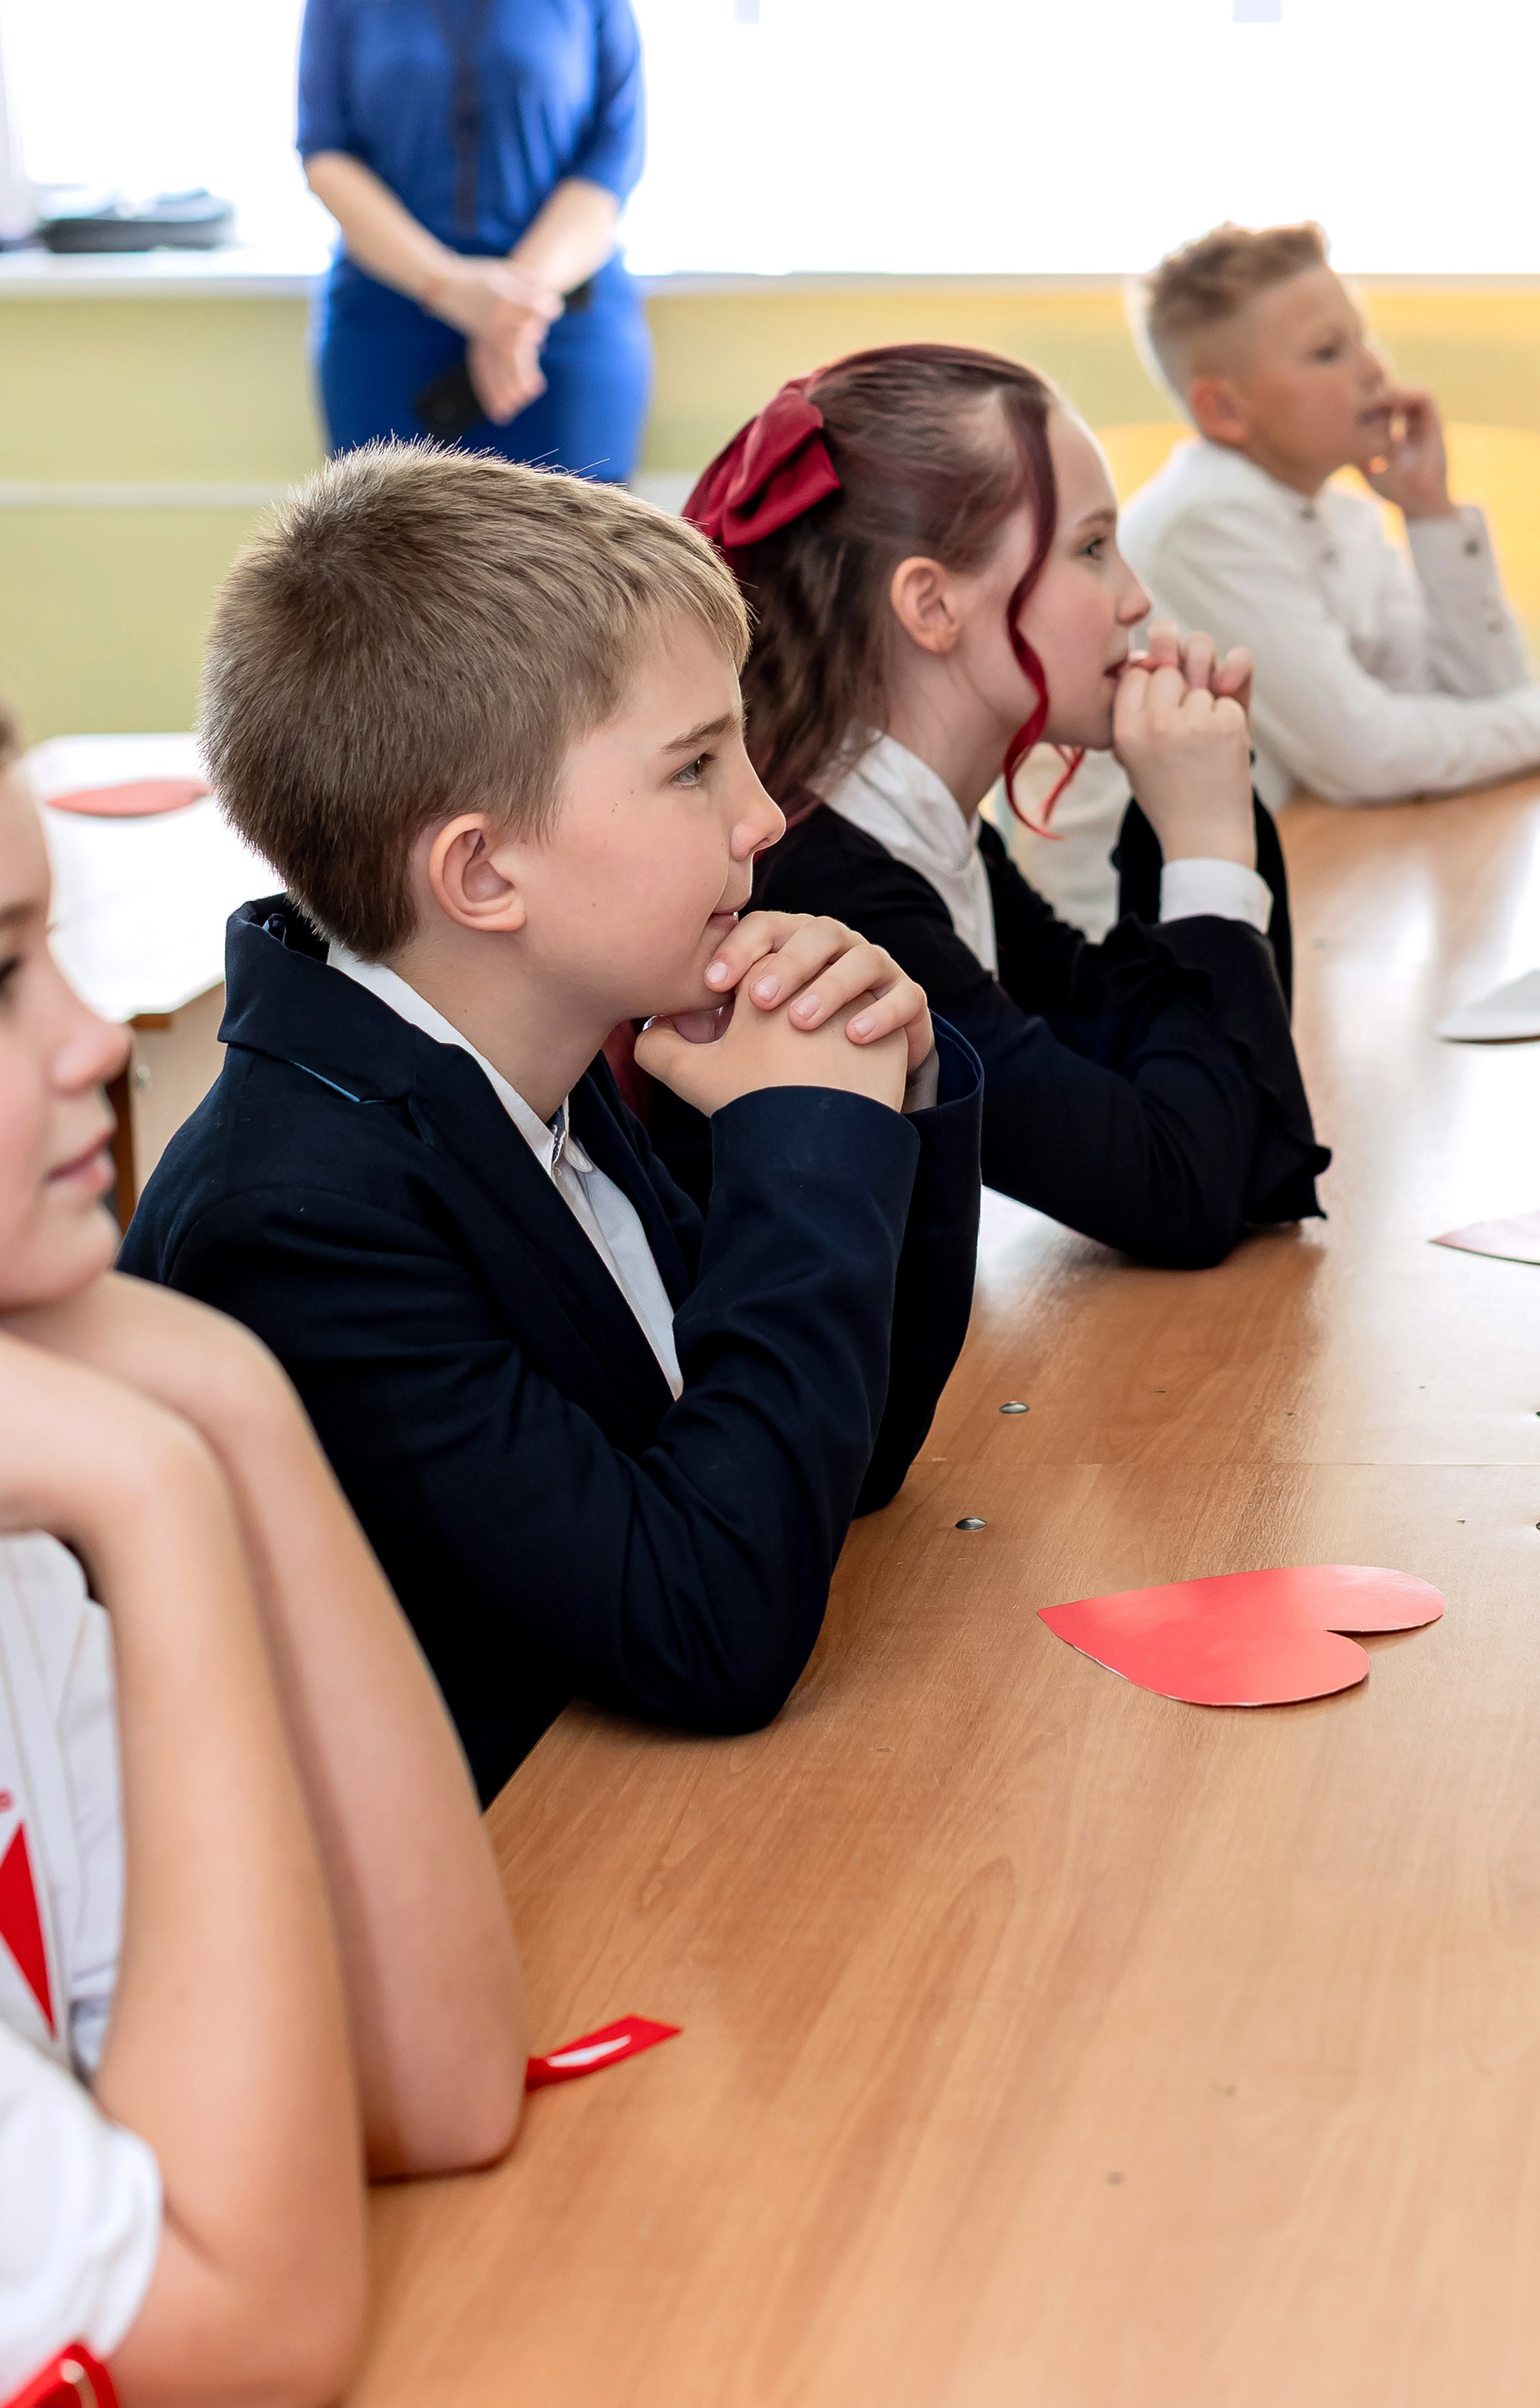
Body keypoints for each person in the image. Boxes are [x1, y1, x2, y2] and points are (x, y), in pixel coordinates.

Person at [0, 615, 527, 2408]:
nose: (95, 1037)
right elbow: (251, 2325)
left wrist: (221, 1396)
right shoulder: (21, 1487)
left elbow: (429, 2076)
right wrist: (154, 1497)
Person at [122, 447, 982, 1803]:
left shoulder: (530, 1045)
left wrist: (886, 1094)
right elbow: (711, 1627)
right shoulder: (299, 1228)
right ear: (481, 875)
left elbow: (841, 1460)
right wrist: (806, 1147)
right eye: (693, 769)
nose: (764, 815)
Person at [684, 347, 1327, 1268]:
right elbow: (1183, 1190)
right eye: (1091, 549)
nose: (1136, 599)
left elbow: (1225, 1123)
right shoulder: (836, 890)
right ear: (932, 604)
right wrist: (1205, 843)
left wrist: (1192, 811)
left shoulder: (919, 834)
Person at [1118, 222, 1540, 810]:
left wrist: (1430, 513)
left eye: (1362, 338)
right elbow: (1366, 758)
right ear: (1224, 408)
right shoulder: (1204, 527)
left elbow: (1482, 702)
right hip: (1160, 873)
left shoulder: (1343, 515)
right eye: (1328, 352)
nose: (1374, 369)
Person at [298, 0, 651, 480]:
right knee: (386, 558)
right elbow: (326, 154)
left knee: (578, 558)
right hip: (391, 326)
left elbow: (614, 150)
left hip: (559, 325)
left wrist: (511, 309)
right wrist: (452, 289)